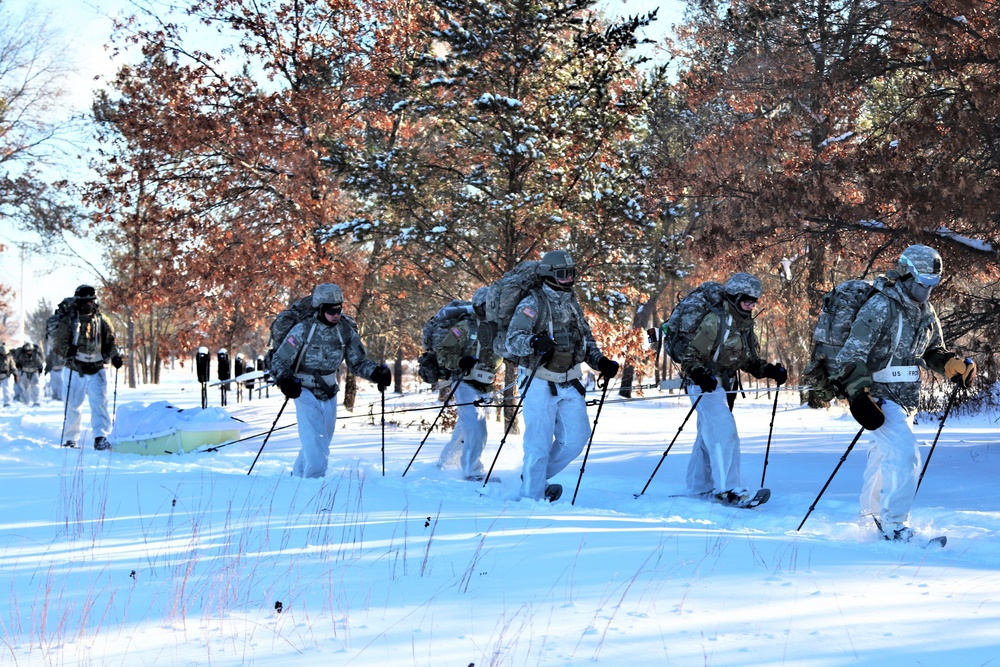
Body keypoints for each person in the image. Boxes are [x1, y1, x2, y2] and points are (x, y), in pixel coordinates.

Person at [831, 245, 976, 542]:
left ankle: (870, 517)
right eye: (924, 281)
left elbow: (932, 350)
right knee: (905, 455)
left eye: (935, 282)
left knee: (883, 457)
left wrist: (951, 365)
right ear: (906, 274)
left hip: (907, 399)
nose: (929, 289)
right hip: (879, 398)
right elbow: (851, 354)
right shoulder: (881, 306)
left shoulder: (925, 311)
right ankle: (895, 524)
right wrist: (858, 395)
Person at [504, 250, 619, 502]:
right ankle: (531, 499)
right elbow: (512, 341)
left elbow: (586, 339)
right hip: (538, 380)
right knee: (538, 442)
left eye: (571, 274)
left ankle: (533, 476)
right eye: (562, 275)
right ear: (548, 274)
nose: (568, 279)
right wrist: (534, 341)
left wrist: (600, 361)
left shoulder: (571, 302)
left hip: (569, 379)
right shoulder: (532, 303)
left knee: (576, 439)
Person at [679, 273, 787, 505]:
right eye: (746, 300)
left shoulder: (744, 324)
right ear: (734, 297)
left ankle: (699, 487)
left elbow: (748, 360)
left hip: (723, 385)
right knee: (724, 433)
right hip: (704, 385)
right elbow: (690, 357)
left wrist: (769, 370)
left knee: (707, 435)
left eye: (754, 301)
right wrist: (699, 374)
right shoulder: (715, 320)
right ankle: (728, 489)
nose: (750, 305)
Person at [270, 283, 392, 478]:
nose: (336, 314)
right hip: (303, 389)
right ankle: (314, 483)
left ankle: (297, 476)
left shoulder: (345, 331)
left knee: (322, 439)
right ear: (320, 309)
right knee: (315, 439)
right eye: (330, 311)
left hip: (329, 390)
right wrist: (285, 380)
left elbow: (357, 362)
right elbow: (280, 359)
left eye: (339, 309)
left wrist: (376, 373)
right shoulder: (303, 330)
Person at [435, 287, 502, 481]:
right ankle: (473, 472)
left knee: (464, 430)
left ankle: (444, 464)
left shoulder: (500, 328)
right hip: (464, 382)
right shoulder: (466, 327)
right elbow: (444, 351)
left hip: (487, 386)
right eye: (488, 306)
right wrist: (460, 362)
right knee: (475, 426)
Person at [53, 285, 122, 450]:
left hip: (96, 366)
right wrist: (66, 351)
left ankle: (101, 437)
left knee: (99, 404)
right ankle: (70, 438)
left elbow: (110, 341)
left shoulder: (102, 319)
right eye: (85, 301)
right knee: (72, 405)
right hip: (75, 367)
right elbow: (59, 342)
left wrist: (115, 356)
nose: (89, 304)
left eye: (91, 300)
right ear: (78, 301)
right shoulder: (69, 320)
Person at [13, 342, 44, 407]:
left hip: (34, 371)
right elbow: (17, 362)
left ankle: (36, 401)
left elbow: (39, 362)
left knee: (35, 386)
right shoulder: (22, 355)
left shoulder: (35, 355)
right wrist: (18, 365)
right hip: (24, 371)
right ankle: (25, 402)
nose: (29, 352)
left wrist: (40, 368)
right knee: (25, 387)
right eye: (27, 351)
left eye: (30, 351)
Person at [0, 342, 16, 407]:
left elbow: (12, 366)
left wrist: (14, 373)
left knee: (6, 389)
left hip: (6, 375)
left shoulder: (9, 358)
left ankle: (7, 402)